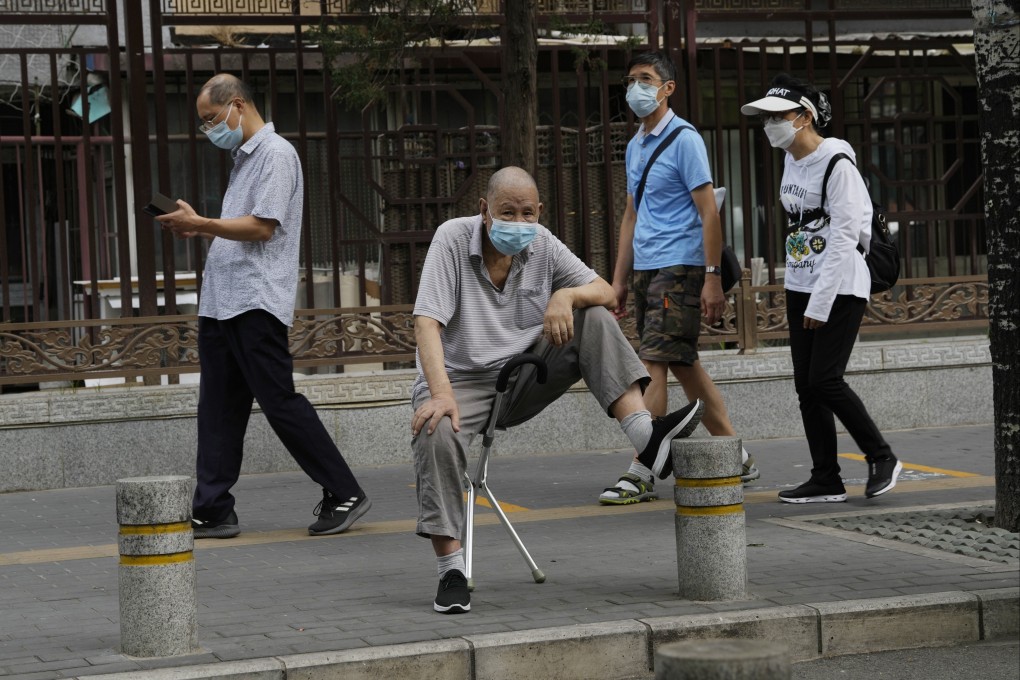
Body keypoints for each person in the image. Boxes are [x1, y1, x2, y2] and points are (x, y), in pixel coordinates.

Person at [411, 166, 704, 614]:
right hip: (460, 381)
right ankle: (451, 570)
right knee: (435, 431)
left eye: (528, 212)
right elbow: (426, 321)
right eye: (507, 212)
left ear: (540, 212)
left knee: (593, 315)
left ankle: (647, 438)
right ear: (484, 210)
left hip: (522, 376)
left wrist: (564, 297)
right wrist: (441, 393)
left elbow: (604, 291)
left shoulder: (542, 243)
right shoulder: (452, 238)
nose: (518, 221)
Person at [157, 74, 371, 538]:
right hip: (222, 303)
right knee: (217, 407)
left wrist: (204, 222)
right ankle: (212, 508)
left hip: (254, 301)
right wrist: (199, 226)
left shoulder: (276, 154)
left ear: (237, 105)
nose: (208, 130)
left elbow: (261, 228)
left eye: (211, 119)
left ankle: (345, 491)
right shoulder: (244, 159)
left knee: (278, 401)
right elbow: (237, 226)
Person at [602, 50, 757, 508]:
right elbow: (631, 214)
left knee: (653, 361)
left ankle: (643, 466)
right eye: (631, 80)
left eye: (646, 79)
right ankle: (737, 454)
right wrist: (619, 280)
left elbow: (709, 213)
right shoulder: (635, 145)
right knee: (682, 363)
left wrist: (711, 278)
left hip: (681, 267)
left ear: (668, 88)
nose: (636, 88)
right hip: (649, 267)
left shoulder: (685, 139)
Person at [740, 74, 901, 503]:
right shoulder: (791, 161)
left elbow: (846, 237)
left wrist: (822, 300)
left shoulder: (838, 165)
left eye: (778, 116)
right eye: (766, 117)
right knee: (806, 387)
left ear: (805, 117)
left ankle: (882, 456)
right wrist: (798, 287)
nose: (770, 124)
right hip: (801, 284)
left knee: (826, 380)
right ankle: (826, 477)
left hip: (840, 285)